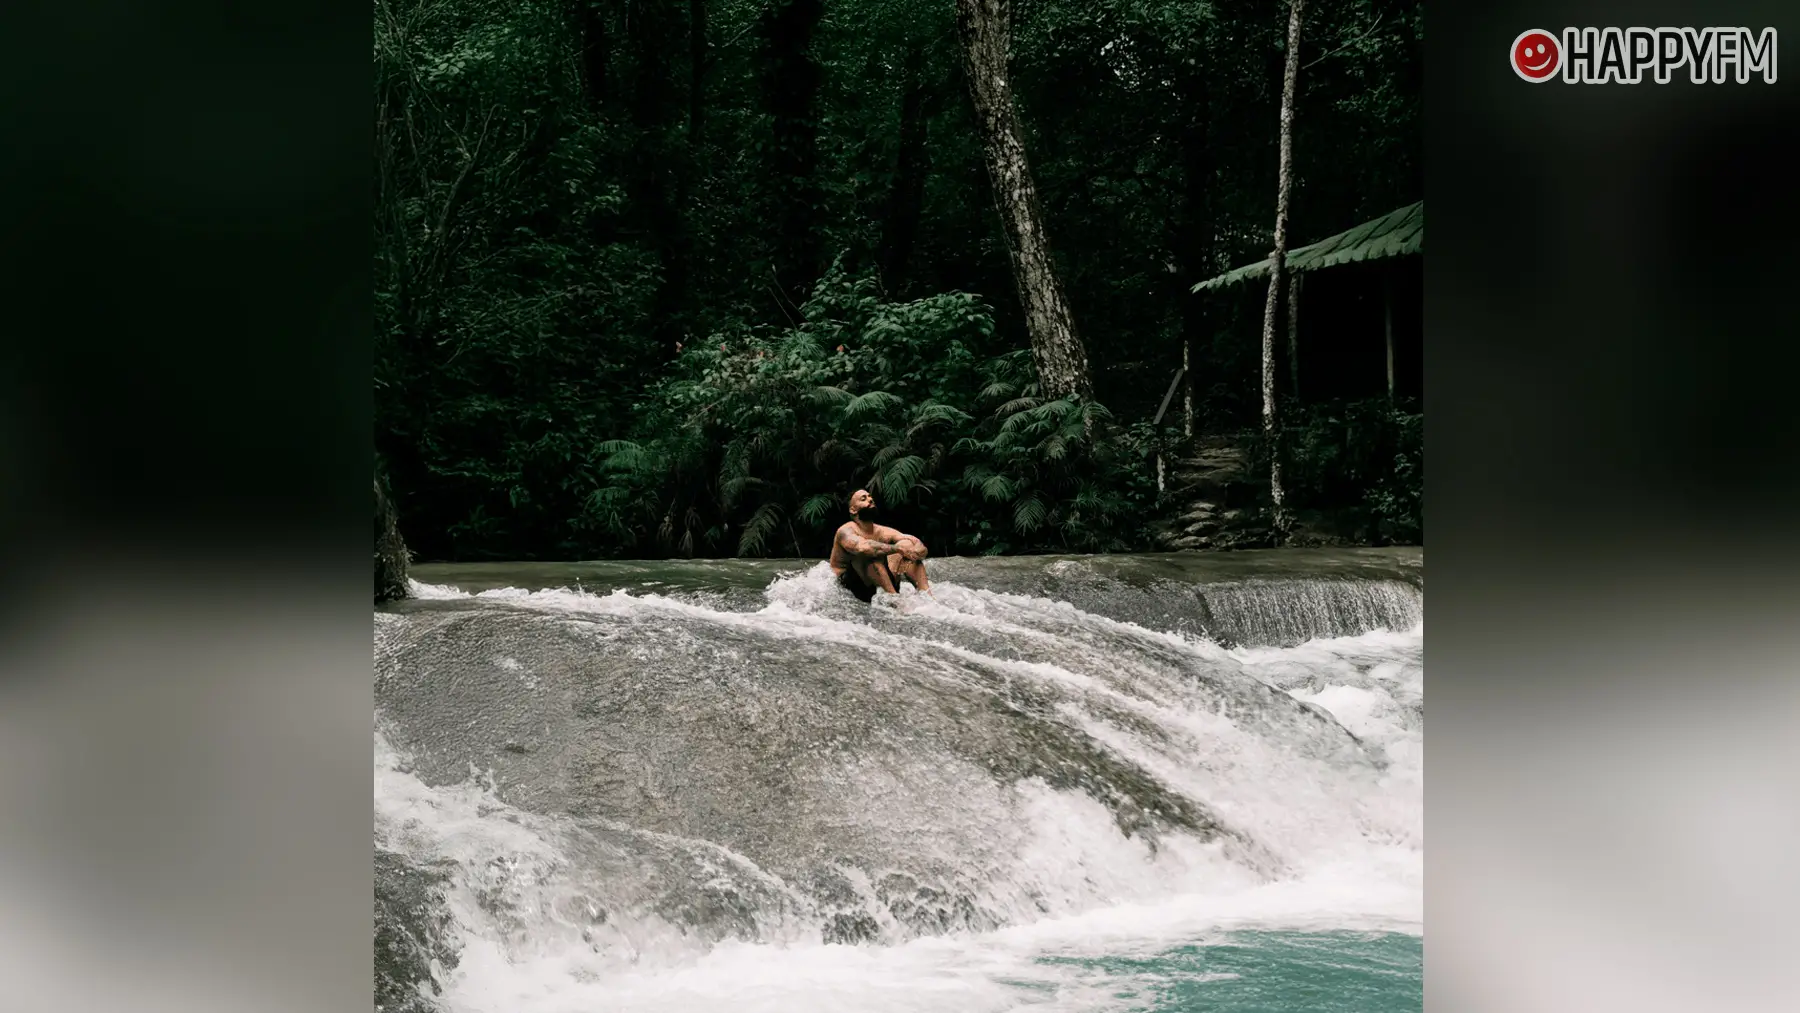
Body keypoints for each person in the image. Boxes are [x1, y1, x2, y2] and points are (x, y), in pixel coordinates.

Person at [830, 489, 932, 603]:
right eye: (863, 499)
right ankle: (896, 603)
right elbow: (863, 548)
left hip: (881, 582)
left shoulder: (882, 531)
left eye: (870, 497)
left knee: (906, 545)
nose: (870, 499)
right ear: (853, 510)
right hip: (853, 587)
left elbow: (918, 545)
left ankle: (928, 599)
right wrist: (896, 548)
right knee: (873, 555)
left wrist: (916, 550)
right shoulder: (845, 530)